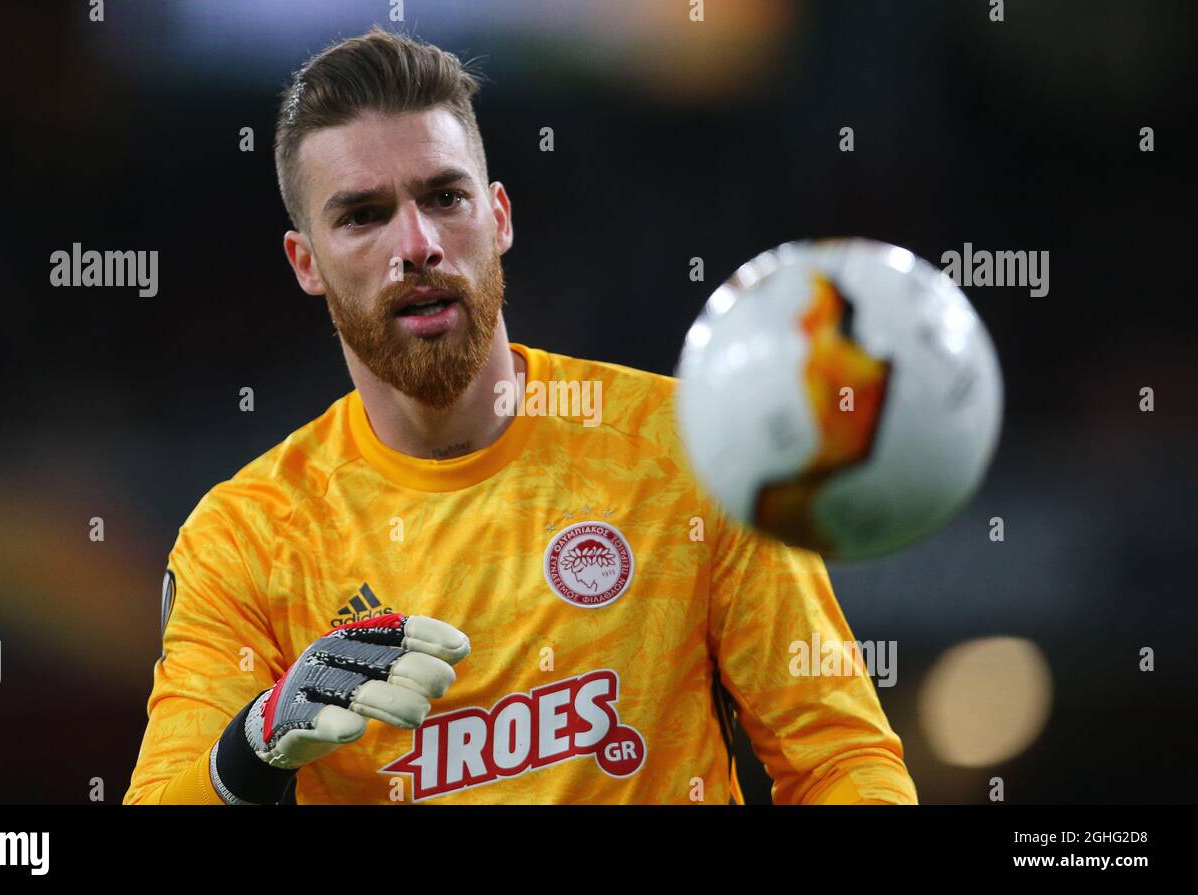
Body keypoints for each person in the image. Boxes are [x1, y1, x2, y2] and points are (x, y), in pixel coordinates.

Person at [124, 27, 916, 805]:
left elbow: (842, 762)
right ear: (307, 264)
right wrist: (252, 748)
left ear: (498, 216)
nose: (418, 243)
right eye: (362, 216)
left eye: (444, 196)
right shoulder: (245, 538)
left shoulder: (692, 450)